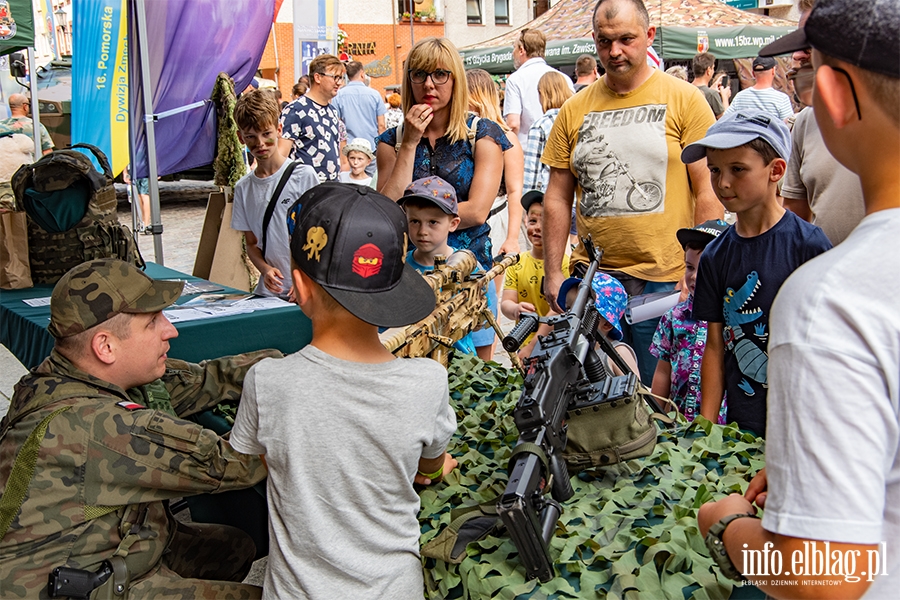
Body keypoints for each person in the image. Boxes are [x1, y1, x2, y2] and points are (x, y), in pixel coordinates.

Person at [697, 1, 900, 596]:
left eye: (807, 71)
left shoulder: (831, 299)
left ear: (834, 96)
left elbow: (820, 577)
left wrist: (728, 524)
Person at [230, 183, 458, 599]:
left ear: (299, 286)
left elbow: (268, 462)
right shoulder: (428, 382)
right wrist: (430, 469)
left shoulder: (267, 382)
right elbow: (429, 468)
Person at [0, 259, 279, 598]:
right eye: (152, 322)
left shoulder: (59, 377)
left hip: (103, 547)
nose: (170, 330)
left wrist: (291, 365)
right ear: (106, 346)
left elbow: (206, 379)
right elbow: (232, 463)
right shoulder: (96, 424)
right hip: (67, 583)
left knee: (232, 547)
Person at [541, 0, 721, 386]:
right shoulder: (573, 110)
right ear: (594, 41)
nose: (615, 51)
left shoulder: (685, 99)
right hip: (593, 279)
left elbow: (706, 188)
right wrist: (552, 272)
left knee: (660, 392)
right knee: (592, 391)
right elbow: (556, 197)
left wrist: (698, 269)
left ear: (649, 36)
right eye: (605, 42)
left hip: (664, 281)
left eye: (626, 39)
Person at [685, 111, 832, 437]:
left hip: (802, 424)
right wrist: (707, 428)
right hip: (743, 425)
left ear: (776, 170)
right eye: (714, 170)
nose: (722, 183)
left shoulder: (808, 244)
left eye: (738, 169)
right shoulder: (714, 255)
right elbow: (714, 344)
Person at [376, 38, 510, 360]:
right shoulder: (391, 141)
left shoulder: (482, 134)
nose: (428, 84)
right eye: (419, 74)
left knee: (475, 370)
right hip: (411, 271)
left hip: (469, 271)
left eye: (440, 74)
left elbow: (478, 211)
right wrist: (409, 143)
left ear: (456, 79)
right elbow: (384, 212)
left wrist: (420, 222)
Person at [776, 0, 865, 244]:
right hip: (824, 275)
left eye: (809, 43)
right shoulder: (805, 121)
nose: (796, 55)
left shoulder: (887, 113)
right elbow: (796, 215)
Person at [232, 89, 320, 299]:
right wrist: (264, 269)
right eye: (251, 137)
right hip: (269, 291)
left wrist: (306, 279)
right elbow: (251, 243)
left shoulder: (303, 175)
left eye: (266, 134)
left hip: (305, 290)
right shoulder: (243, 188)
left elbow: (319, 234)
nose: (260, 143)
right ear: (241, 138)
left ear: (278, 129)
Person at [649, 219, 729, 424]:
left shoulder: (734, 320)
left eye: (705, 269)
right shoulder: (673, 317)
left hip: (722, 430)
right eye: (690, 267)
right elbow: (663, 371)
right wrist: (656, 415)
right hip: (679, 423)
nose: (694, 277)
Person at [399, 176, 486, 355]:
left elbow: (482, 322)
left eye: (433, 222)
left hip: (460, 364)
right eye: (415, 221)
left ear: (453, 224)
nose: (423, 231)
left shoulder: (469, 266)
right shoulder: (400, 268)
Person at [501, 191, 570, 358]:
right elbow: (506, 303)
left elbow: (559, 311)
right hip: (523, 343)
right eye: (533, 221)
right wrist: (515, 309)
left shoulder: (566, 265)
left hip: (555, 345)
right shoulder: (516, 263)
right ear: (525, 222)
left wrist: (533, 347)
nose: (537, 227)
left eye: (546, 221)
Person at [466, 68, 524, 260]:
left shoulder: (506, 137)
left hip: (496, 220)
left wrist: (512, 237)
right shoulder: (458, 135)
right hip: (463, 222)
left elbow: (514, 190)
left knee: (492, 286)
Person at [558, 272, 639, 376]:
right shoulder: (570, 353)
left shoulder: (618, 353)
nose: (570, 317)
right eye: (568, 309)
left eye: (581, 312)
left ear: (607, 325)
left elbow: (636, 390)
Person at [280, 55, 347, 181]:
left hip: (332, 189)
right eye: (335, 77)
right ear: (318, 77)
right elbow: (281, 155)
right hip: (305, 189)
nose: (339, 82)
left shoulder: (332, 110)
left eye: (341, 78)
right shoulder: (295, 109)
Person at [503, 28, 574, 145]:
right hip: (560, 150)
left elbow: (513, 124)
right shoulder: (564, 78)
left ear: (522, 50)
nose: (512, 53)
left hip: (528, 151)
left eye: (514, 47)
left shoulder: (516, 80)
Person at [523, 71, 575, 193]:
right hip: (578, 198)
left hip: (552, 194)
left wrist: (527, 203)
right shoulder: (578, 120)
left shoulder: (540, 126)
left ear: (542, 94)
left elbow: (532, 172)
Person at [332, 61, 386, 176]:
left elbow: (336, 123)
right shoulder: (375, 95)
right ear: (362, 74)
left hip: (349, 150)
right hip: (371, 148)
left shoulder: (339, 96)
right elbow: (381, 125)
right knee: (371, 184)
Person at [723, 56, 794, 122]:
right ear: (773, 71)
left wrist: (725, 98)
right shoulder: (782, 99)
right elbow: (789, 127)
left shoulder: (740, 97)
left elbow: (725, 119)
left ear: (753, 73)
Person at [692, 52, 731, 119]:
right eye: (713, 68)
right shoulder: (712, 94)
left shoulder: (686, 89)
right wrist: (725, 97)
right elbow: (725, 120)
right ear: (708, 70)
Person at [122, 164, 152, 235]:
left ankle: (142, 222)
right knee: (144, 195)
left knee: (138, 194)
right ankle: (146, 223)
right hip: (145, 167)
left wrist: (125, 172)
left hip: (133, 167)